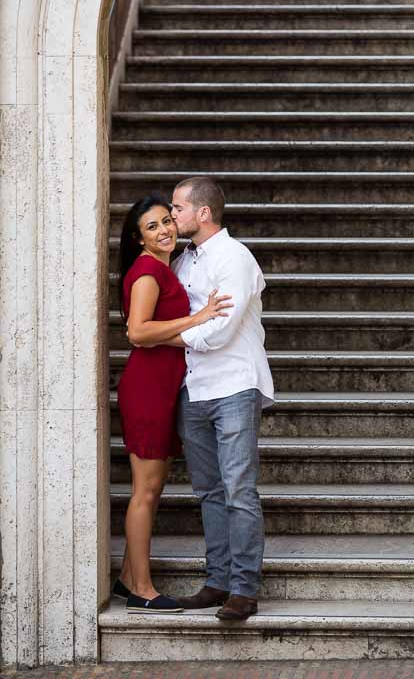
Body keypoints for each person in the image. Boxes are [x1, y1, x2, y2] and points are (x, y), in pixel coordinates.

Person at [162, 176, 274, 621]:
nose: (172, 215)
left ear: (202, 213)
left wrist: (171, 335)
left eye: (177, 208)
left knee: (239, 490)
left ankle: (244, 590)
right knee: (208, 491)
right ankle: (217, 581)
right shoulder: (181, 262)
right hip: (194, 388)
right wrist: (186, 326)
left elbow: (221, 329)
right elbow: (179, 320)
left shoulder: (235, 257)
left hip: (233, 386)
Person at [114, 195, 232, 614]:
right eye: (152, 226)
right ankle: (142, 591)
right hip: (147, 389)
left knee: (153, 487)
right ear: (138, 237)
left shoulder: (165, 267)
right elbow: (137, 332)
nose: (164, 230)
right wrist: (197, 320)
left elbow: (154, 332)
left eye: (167, 220)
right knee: (144, 491)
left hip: (165, 388)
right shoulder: (147, 270)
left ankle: (129, 577)